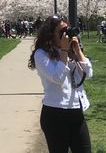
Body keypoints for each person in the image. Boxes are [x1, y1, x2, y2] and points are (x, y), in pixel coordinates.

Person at [29, 15, 93, 153]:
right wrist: (64, 51)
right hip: (55, 114)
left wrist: (78, 51)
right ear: (50, 34)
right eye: (62, 32)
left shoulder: (71, 52)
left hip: (76, 111)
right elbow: (58, 77)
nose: (66, 35)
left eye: (67, 30)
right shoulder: (41, 55)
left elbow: (88, 74)